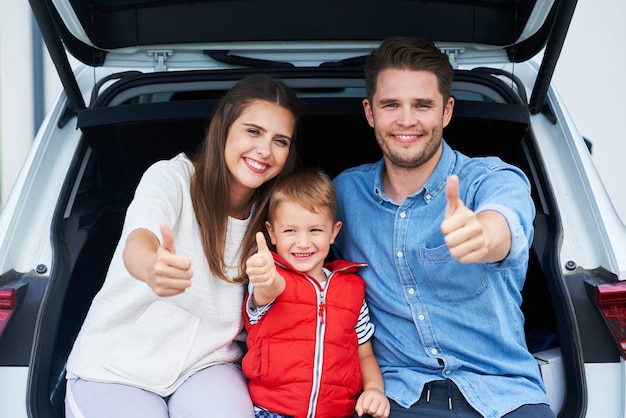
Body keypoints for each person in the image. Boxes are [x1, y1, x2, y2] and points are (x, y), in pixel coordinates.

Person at [332, 37, 555, 418]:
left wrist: (483, 236)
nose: (406, 120)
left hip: (502, 395)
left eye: (422, 105)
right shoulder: (343, 195)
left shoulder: (490, 178)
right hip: (395, 396)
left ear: (447, 110)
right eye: (391, 105)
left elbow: (506, 223)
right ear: (369, 112)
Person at [63, 74, 300, 418]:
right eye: (253, 131)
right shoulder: (171, 178)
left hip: (206, 365)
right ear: (223, 127)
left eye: (281, 141)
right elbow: (140, 238)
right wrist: (152, 265)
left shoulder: (274, 216)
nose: (265, 150)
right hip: (116, 368)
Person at [242, 169, 390, 418]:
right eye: (290, 231)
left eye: (315, 231)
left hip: (338, 412)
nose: (302, 242)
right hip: (272, 411)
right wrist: (266, 279)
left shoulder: (351, 289)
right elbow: (267, 291)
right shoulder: (271, 277)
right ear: (272, 233)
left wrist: (374, 389)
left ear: (334, 232)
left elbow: (364, 352)